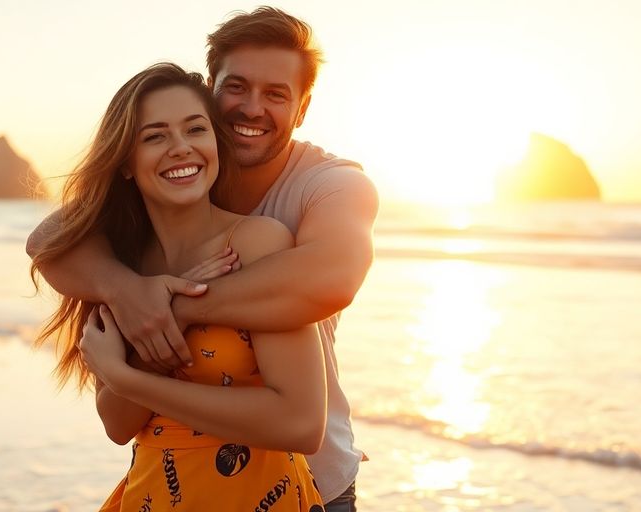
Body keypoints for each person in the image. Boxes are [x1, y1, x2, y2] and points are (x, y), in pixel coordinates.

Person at [26, 7, 377, 510]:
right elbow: (47, 238)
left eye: (276, 93)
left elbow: (333, 276)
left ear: (302, 108)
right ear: (212, 88)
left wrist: (171, 309)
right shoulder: (137, 237)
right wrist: (127, 291)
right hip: (165, 487)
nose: (252, 108)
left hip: (306, 481)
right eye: (237, 86)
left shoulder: (326, 186)